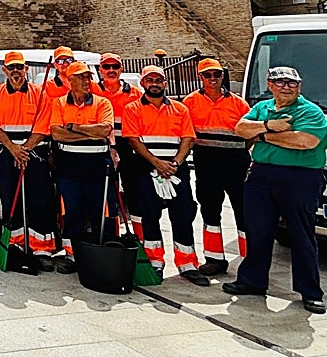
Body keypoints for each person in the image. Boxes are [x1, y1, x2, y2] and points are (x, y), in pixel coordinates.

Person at [224, 66, 327, 314]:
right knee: (258, 231)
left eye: (291, 83)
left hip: (300, 177)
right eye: (279, 82)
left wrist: (261, 135)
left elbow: (305, 141)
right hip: (261, 174)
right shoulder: (263, 108)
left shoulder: (309, 111)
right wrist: (269, 126)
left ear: (299, 86)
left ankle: (310, 292)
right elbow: (240, 129)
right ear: (270, 85)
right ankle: (252, 281)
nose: (286, 86)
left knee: (301, 235)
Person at [123, 65, 208, 285]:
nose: (154, 83)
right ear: (142, 83)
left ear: (165, 83)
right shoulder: (132, 108)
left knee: (183, 216)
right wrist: (156, 163)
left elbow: (188, 138)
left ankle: (188, 264)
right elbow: (133, 140)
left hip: (175, 169)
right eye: (149, 79)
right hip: (146, 168)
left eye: (158, 80)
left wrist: (175, 163)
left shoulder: (180, 109)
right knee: (150, 217)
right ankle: (155, 263)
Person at [0, 51, 57, 270]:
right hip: (7, 153)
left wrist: (25, 149)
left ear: (26, 69)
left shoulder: (40, 93)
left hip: (34, 153)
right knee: (10, 199)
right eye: (11, 67)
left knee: (40, 200)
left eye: (19, 67)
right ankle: (15, 245)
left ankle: (41, 249)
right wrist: (14, 149)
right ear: (4, 70)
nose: (16, 71)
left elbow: (44, 126)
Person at [183, 57, 251, 277]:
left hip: (236, 162)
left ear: (223, 76)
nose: (212, 79)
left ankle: (249, 260)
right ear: (200, 77)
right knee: (210, 210)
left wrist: (239, 149)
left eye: (216, 74)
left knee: (244, 210)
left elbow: (250, 134)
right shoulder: (190, 102)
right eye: (207, 75)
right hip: (206, 161)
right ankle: (214, 259)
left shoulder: (238, 103)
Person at [48, 60, 113, 274]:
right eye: (82, 77)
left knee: (99, 212)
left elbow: (104, 130)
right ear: (70, 80)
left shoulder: (102, 103)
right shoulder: (58, 103)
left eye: (89, 77)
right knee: (71, 211)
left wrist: (73, 128)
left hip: (97, 167)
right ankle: (71, 255)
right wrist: (88, 132)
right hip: (69, 167)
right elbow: (57, 134)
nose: (87, 81)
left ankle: (99, 253)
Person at [91, 51, 141, 234]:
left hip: (129, 146)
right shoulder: (92, 91)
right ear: (100, 70)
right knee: (106, 194)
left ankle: (140, 238)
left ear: (122, 69)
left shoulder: (135, 93)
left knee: (133, 193)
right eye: (106, 67)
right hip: (102, 146)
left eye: (115, 66)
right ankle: (111, 235)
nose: (111, 70)